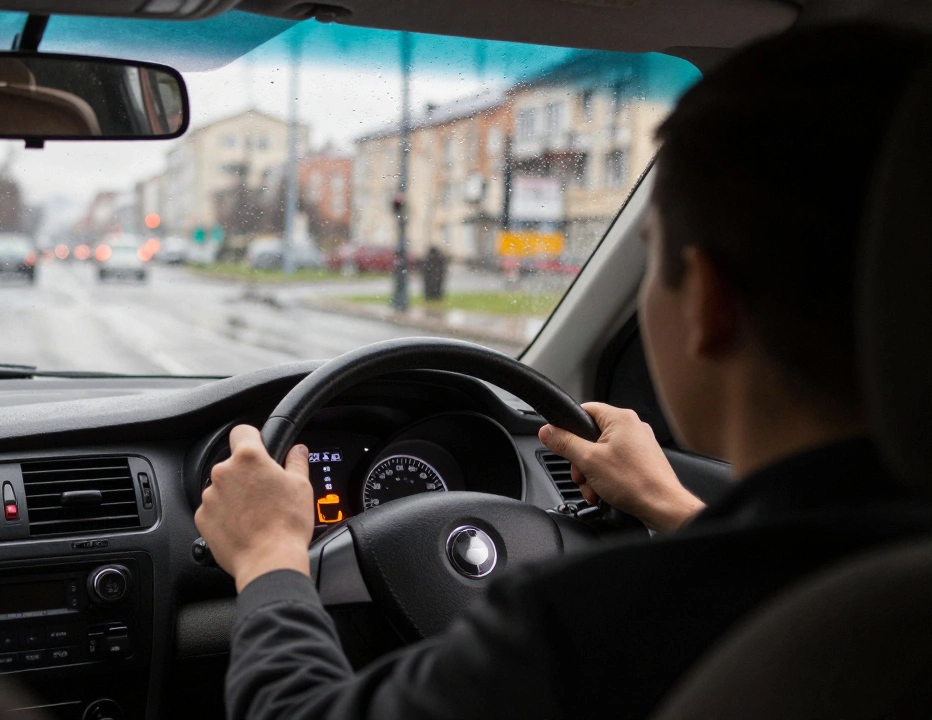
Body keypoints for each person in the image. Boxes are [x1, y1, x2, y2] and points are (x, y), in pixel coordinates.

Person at [194, 23, 932, 720]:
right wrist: (668, 505)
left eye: (650, 257)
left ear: (707, 302)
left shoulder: (588, 625)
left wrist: (269, 556)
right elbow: (795, 574)